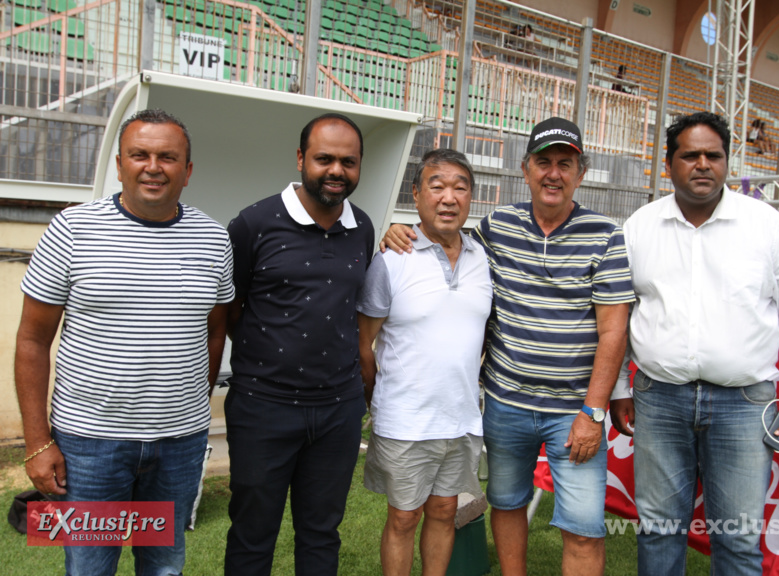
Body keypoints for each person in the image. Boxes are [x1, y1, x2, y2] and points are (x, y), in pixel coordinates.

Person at [382, 117, 634, 576]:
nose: (553, 173)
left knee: (583, 528)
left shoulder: (606, 235)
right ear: (525, 169)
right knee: (507, 504)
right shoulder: (497, 227)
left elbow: (614, 333)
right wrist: (400, 230)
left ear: (581, 173)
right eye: (544, 162)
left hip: (574, 412)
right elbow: (444, 239)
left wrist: (594, 412)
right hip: (505, 405)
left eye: (565, 164)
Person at [609, 111, 779, 576]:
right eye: (689, 155)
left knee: (737, 538)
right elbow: (620, 314)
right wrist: (618, 387)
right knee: (658, 530)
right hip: (659, 399)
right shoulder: (640, 227)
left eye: (713, 155)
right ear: (668, 164)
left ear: (727, 162)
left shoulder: (766, 226)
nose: (702, 165)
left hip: (744, 405)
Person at [15, 108, 234, 575]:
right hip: (90, 446)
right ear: (119, 165)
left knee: (163, 566)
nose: (153, 167)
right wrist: (37, 443)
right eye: (139, 155)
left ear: (187, 171)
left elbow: (215, 330)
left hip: (179, 444)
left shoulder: (214, 240)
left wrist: (190, 403)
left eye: (167, 157)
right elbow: (32, 340)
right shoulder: (72, 230)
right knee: (91, 567)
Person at [223, 113, 373, 576]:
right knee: (252, 533)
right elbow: (230, 310)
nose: (336, 170)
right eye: (324, 158)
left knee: (322, 533)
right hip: (262, 408)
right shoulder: (253, 223)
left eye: (348, 161)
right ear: (300, 158)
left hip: (337, 412)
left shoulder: (363, 227)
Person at [358, 149, 493, 575]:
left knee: (444, 512)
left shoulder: (483, 258)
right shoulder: (391, 258)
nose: (449, 198)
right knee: (403, 517)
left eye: (460, 188)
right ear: (416, 195)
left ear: (470, 197)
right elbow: (363, 343)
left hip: (461, 418)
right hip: (406, 421)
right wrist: (376, 400)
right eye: (437, 187)